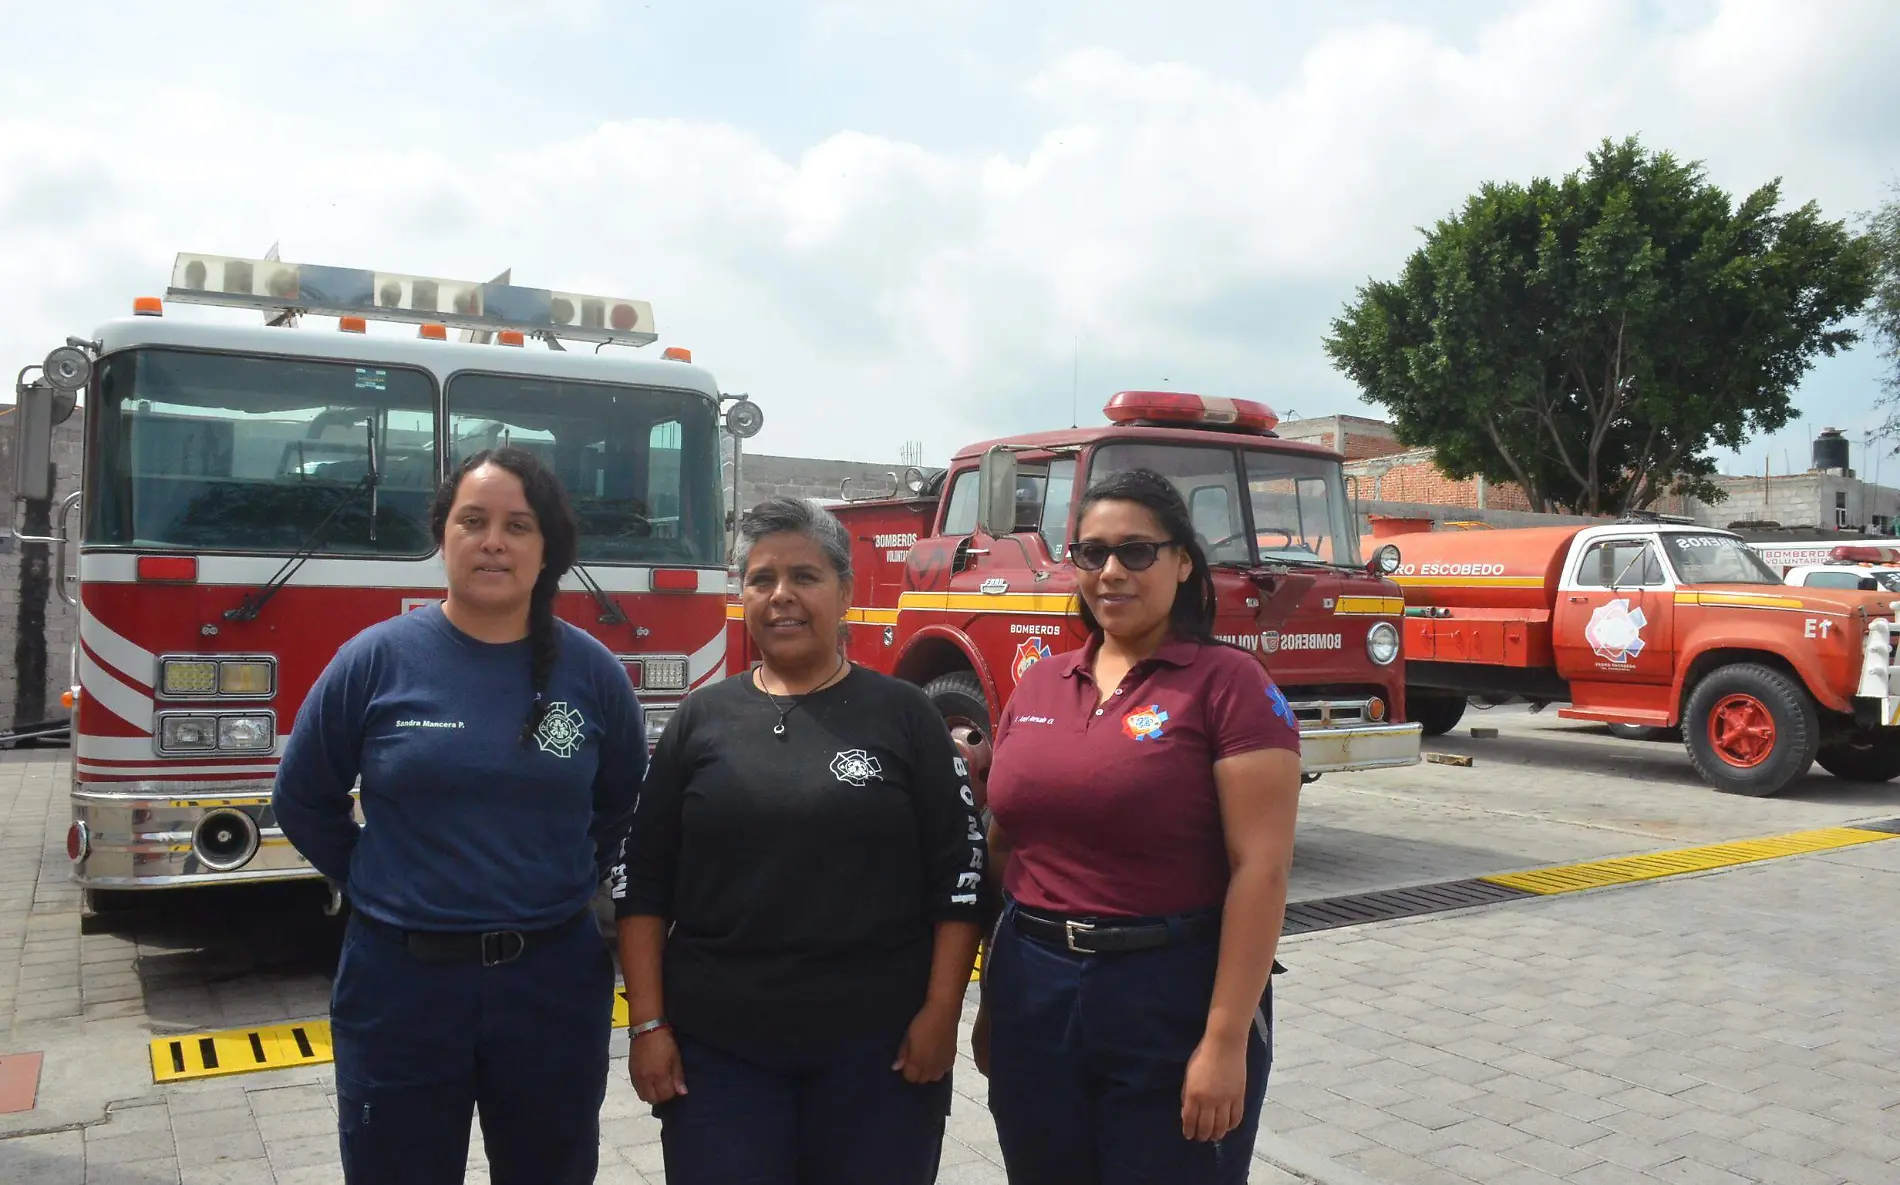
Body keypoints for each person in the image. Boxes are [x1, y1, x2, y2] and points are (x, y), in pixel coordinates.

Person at [273, 447, 646, 1185]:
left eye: (518, 525)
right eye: (472, 521)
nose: (493, 541)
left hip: (553, 984)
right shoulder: (374, 661)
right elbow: (302, 798)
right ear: (443, 536)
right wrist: (381, 880)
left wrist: (549, 879)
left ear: (547, 551)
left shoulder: (593, 672)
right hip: (400, 988)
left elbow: (619, 802)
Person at [611, 495, 985, 1185]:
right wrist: (647, 1026)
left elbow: (959, 877)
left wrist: (941, 1012)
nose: (781, 596)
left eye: (805, 577)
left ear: (844, 590)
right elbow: (643, 879)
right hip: (719, 1056)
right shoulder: (701, 719)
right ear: (743, 595)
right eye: (761, 579)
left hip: (880, 1053)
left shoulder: (905, 715)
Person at [973, 467, 1304, 1185]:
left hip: (1170, 990)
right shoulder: (1041, 680)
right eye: (1092, 554)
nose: (1111, 571)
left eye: (1136, 552)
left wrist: (1222, 1042)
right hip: (1035, 987)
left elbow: (1262, 870)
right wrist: (994, 1000)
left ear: (1184, 563)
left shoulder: (1228, 685)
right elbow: (1005, 843)